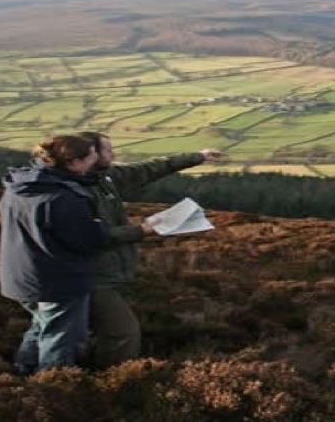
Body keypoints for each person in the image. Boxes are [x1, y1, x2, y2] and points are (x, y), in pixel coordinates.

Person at [0, 135, 153, 374]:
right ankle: (53, 387)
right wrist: (140, 230)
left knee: (42, 326)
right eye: (92, 154)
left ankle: (24, 374)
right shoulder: (64, 197)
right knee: (61, 338)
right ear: (75, 162)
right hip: (57, 281)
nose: (96, 159)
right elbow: (89, 240)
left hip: (22, 275)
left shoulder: (23, 185)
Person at [76, 131, 225, 368]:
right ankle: (112, 383)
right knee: (123, 332)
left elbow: (147, 169)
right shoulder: (75, 191)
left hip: (104, 272)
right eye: (107, 150)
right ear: (89, 155)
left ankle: (74, 376)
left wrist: (197, 156)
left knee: (77, 332)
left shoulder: (105, 177)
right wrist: (141, 231)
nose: (113, 154)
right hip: (91, 276)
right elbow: (92, 237)